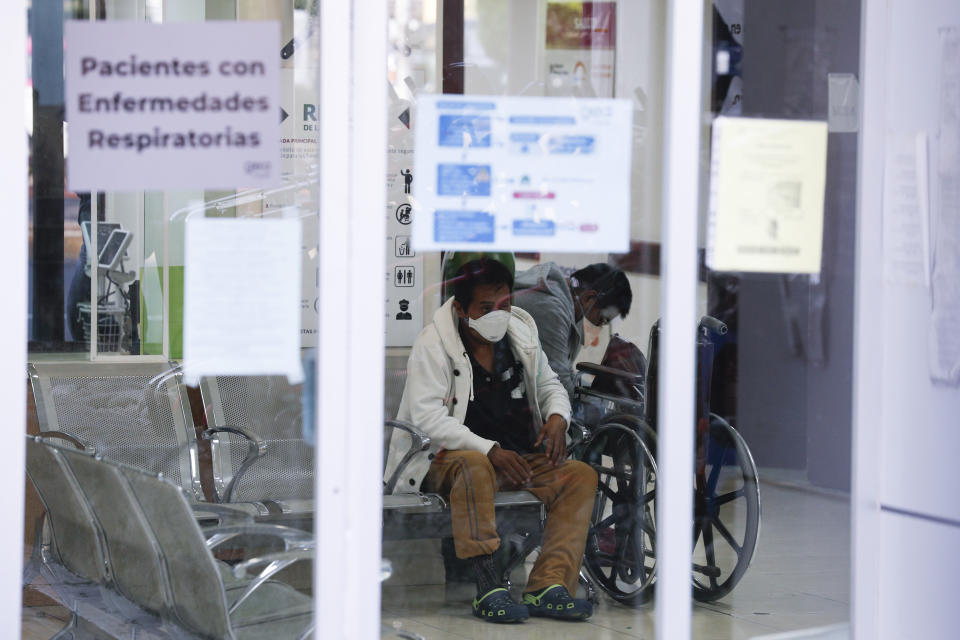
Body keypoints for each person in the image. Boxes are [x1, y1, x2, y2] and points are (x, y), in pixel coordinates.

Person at [384, 257, 598, 623]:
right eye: (486, 308)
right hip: (446, 462)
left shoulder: (521, 333)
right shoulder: (434, 343)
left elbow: (549, 384)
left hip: (514, 459)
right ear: (461, 307)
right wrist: (490, 449)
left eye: (504, 305)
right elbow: (428, 418)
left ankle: (547, 585)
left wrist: (559, 417)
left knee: (579, 477)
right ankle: (487, 586)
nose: (499, 314)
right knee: (474, 465)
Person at [513, 262, 633, 400]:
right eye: (603, 319)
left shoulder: (570, 313)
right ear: (589, 298)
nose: (599, 325)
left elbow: (566, 372)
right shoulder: (552, 309)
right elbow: (559, 384)